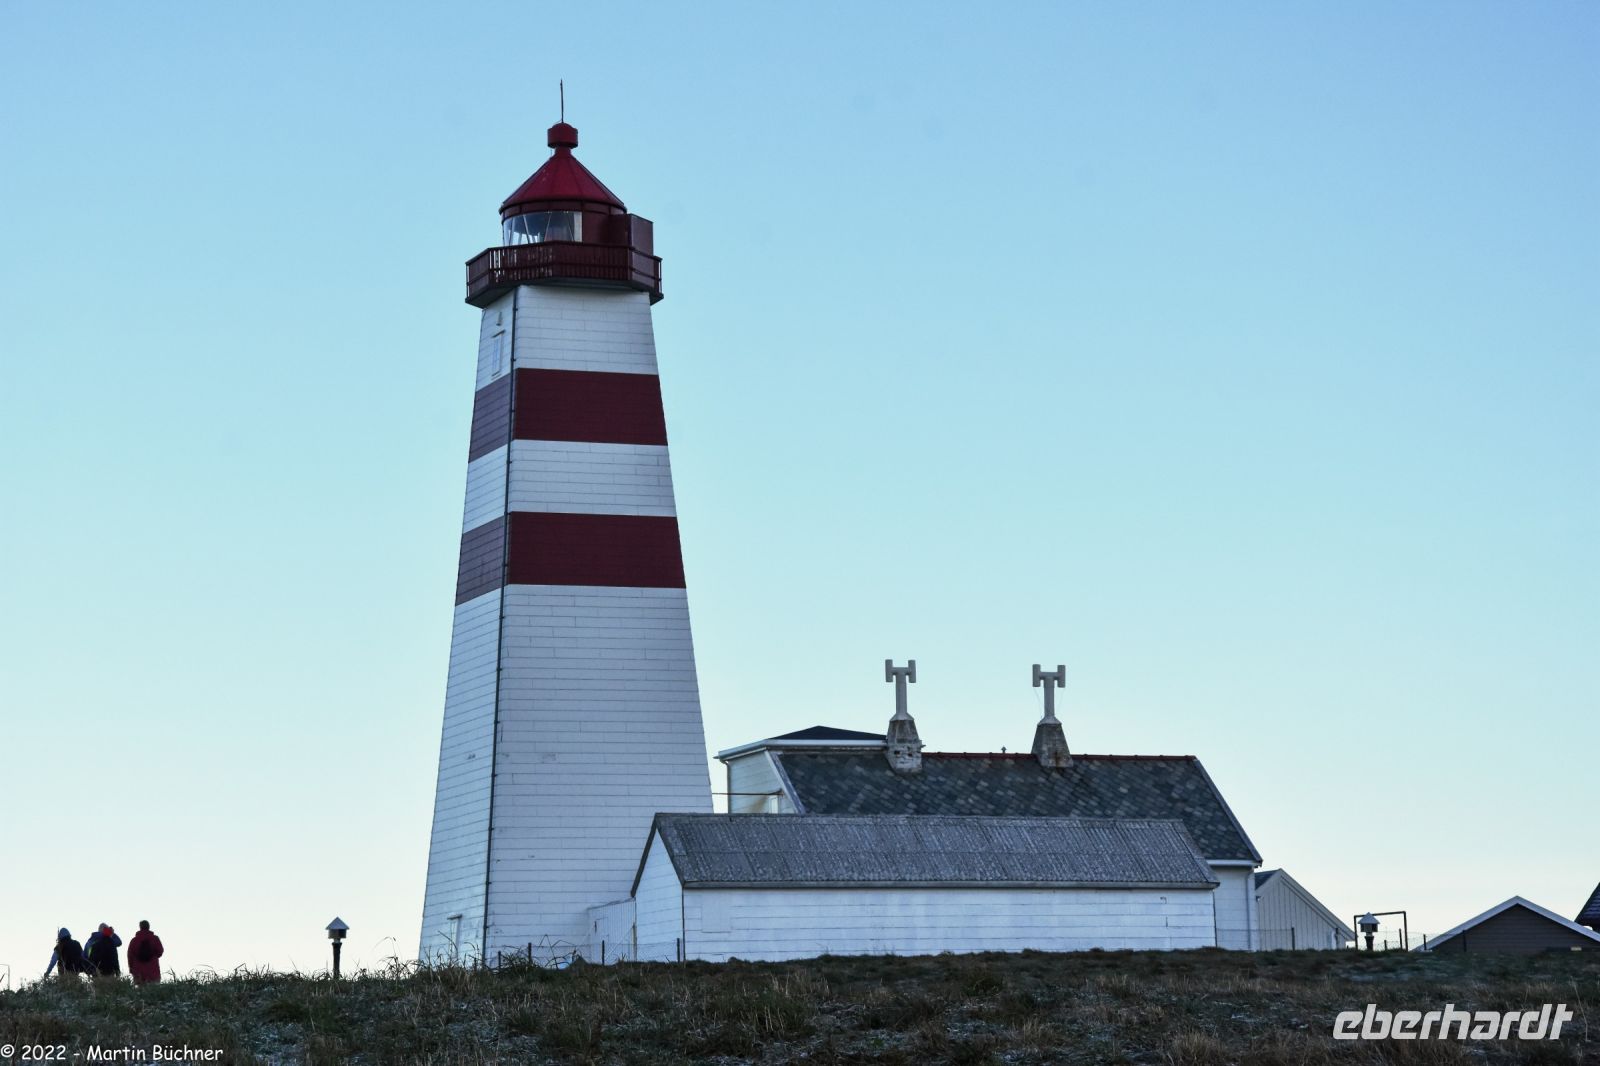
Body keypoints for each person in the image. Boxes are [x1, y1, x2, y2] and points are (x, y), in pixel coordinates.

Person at [127, 920, 164, 985]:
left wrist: (131, 969)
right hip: (153, 970)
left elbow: (130, 956)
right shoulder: (155, 939)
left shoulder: (134, 940)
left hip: (138, 971)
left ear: (140, 927)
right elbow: (160, 951)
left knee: (141, 990)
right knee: (154, 990)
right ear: (149, 927)